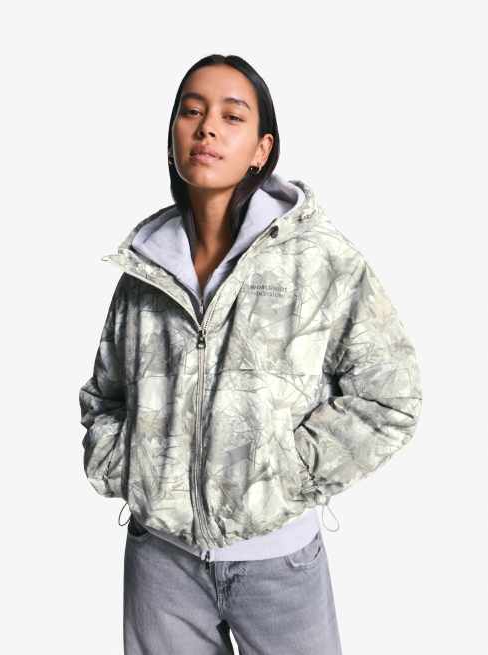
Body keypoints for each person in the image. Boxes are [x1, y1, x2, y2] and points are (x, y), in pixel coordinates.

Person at [79, 54, 423, 655]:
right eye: (191, 111)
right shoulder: (147, 269)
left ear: (262, 149)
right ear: (173, 137)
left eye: (231, 116)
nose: (207, 128)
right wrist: (127, 466)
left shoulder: (318, 258)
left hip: (278, 563)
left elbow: (389, 396)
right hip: (161, 563)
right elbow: (106, 394)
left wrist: (287, 474)